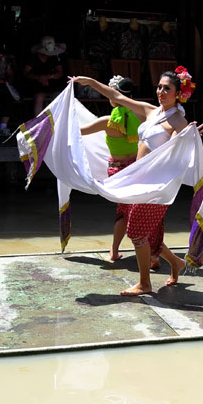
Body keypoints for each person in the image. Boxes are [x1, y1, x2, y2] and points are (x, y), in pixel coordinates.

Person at [71, 67, 200, 296]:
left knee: (137, 233)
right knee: (145, 233)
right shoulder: (152, 111)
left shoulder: (179, 120)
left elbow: (185, 149)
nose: (161, 91)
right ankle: (176, 263)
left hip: (154, 186)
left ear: (178, 93)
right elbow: (118, 97)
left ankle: (145, 283)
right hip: (138, 180)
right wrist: (90, 82)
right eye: (159, 87)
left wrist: (190, 136)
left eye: (166, 88)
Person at [78, 75, 150, 264]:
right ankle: (150, 252)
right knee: (136, 210)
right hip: (137, 168)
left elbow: (79, 132)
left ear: (113, 97)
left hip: (118, 171)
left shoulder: (106, 121)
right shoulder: (142, 116)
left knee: (125, 212)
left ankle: (116, 249)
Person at [23, 35, 66, 116]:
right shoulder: (33, 58)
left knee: (59, 96)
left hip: (52, 86)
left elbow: (60, 73)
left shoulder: (54, 58)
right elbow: (25, 73)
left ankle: (56, 122)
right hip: (36, 87)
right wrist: (38, 78)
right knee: (39, 97)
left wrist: (48, 77)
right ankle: (38, 123)